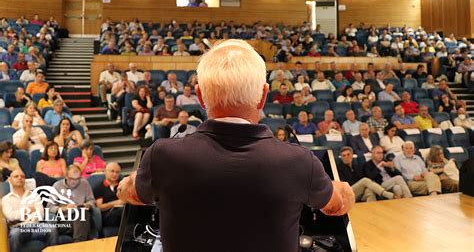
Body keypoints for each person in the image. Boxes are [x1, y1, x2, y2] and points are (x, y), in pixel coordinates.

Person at [117, 39, 354, 251]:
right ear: (263, 96)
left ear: (199, 96)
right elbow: (338, 205)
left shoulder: (162, 156)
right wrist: (342, 189)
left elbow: (129, 192)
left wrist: (130, 181)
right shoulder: (299, 161)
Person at [2, 169, 58, 251]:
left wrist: (21, 216)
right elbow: (10, 216)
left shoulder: (34, 195)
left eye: (22, 176)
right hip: (18, 228)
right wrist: (28, 210)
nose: (20, 178)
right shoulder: (6, 199)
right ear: (10, 180)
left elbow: (41, 214)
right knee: (14, 234)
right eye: (16, 176)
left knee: (52, 229)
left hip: (36, 226)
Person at [49, 165, 95, 242]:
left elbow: (91, 200)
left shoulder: (84, 183)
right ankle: (83, 241)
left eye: (77, 179)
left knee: (82, 213)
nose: (75, 182)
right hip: (65, 219)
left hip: (81, 215)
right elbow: (50, 207)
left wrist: (88, 205)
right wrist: (64, 208)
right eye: (72, 179)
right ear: (66, 176)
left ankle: (78, 243)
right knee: (83, 224)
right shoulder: (57, 186)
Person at [94, 162, 125, 228]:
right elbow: (100, 207)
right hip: (108, 216)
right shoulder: (99, 187)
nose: (115, 174)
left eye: (117, 172)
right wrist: (115, 203)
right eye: (112, 171)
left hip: (122, 212)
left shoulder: (122, 185)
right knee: (122, 211)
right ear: (105, 172)